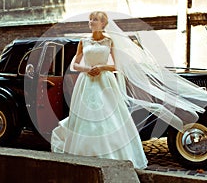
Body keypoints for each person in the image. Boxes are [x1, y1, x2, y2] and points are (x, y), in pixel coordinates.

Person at [51, 11, 148, 169]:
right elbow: (74, 65)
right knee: (85, 116)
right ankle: (83, 152)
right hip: (86, 81)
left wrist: (102, 67)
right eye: (90, 19)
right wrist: (86, 68)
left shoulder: (109, 41)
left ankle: (111, 153)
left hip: (104, 81)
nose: (91, 22)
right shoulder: (83, 41)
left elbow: (118, 65)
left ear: (103, 23)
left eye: (95, 19)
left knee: (108, 116)